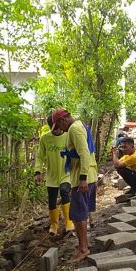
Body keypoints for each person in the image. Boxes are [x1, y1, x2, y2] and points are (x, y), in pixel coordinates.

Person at [51, 108, 98, 262]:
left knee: (79, 216)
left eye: (59, 126)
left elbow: (84, 153)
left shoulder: (74, 129)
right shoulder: (80, 125)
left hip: (82, 178)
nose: (60, 130)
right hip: (86, 175)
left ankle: (83, 249)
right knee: (80, 214)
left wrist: (82, 178)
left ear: (63, 120)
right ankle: (84, 245)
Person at [35, 115, 74, 235]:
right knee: (52, 201)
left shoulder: (68, 136)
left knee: (64, 192)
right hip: (51, 175)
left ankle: (68, 222)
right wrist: (37, 172)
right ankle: (54, 224)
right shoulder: (45, 138)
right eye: (54, 128)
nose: (58, 130)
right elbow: (40, 156)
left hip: (66, 173)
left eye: (59, 127)